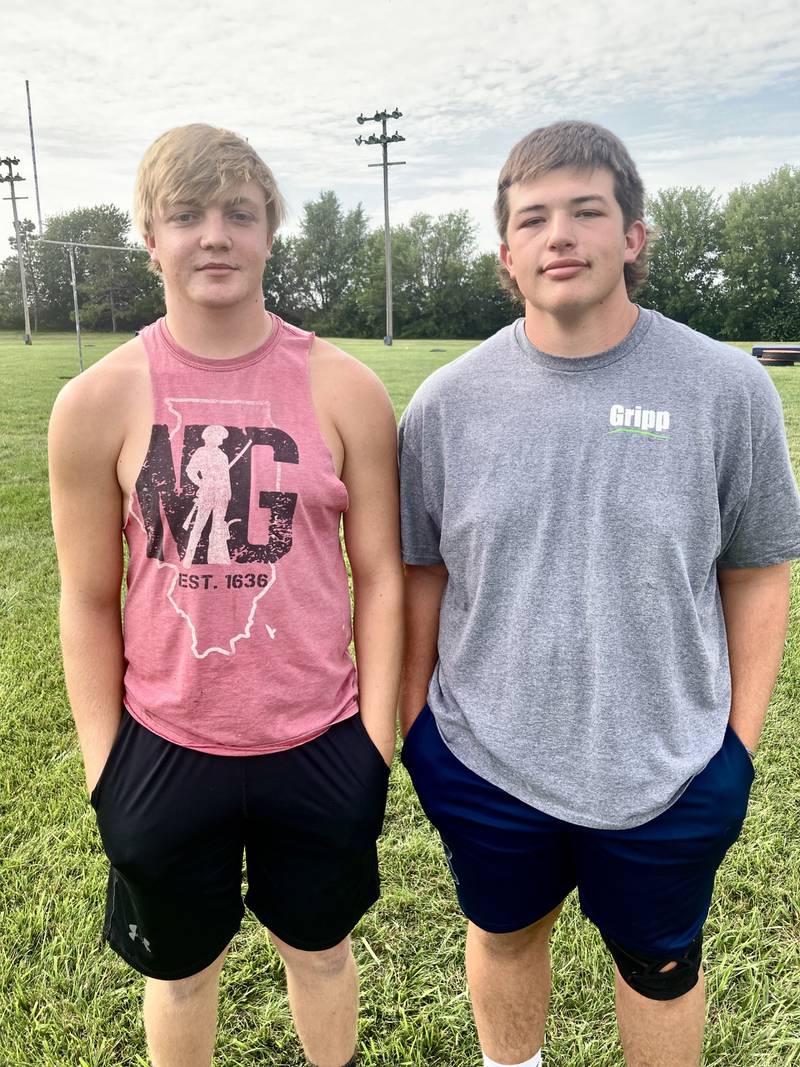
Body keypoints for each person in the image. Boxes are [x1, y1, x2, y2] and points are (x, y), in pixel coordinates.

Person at [398, 120, 800, 1067]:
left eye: (587, 210)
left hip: (668, 768)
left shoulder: (726, 388)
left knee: (660, 968)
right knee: (503, 936)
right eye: (533, 218)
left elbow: (756, 570)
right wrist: (420, 730)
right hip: (485, 760)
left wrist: (734, 748)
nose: (560, 235)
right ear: (507, 254)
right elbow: (421, 576)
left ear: (635, 236)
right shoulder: (445, 406)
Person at [49, 123, 403, 1067]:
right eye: (187, 214)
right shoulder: (98, 401)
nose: (215, 234)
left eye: (239, 213)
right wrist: (105, 764)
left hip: (319, 738)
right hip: (165, 743)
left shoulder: (346, 388)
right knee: (182, 973)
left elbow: (380, 576)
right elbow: (86, 597)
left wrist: (374, 738)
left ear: (269, 234)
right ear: (150, 236)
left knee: (320, 953)